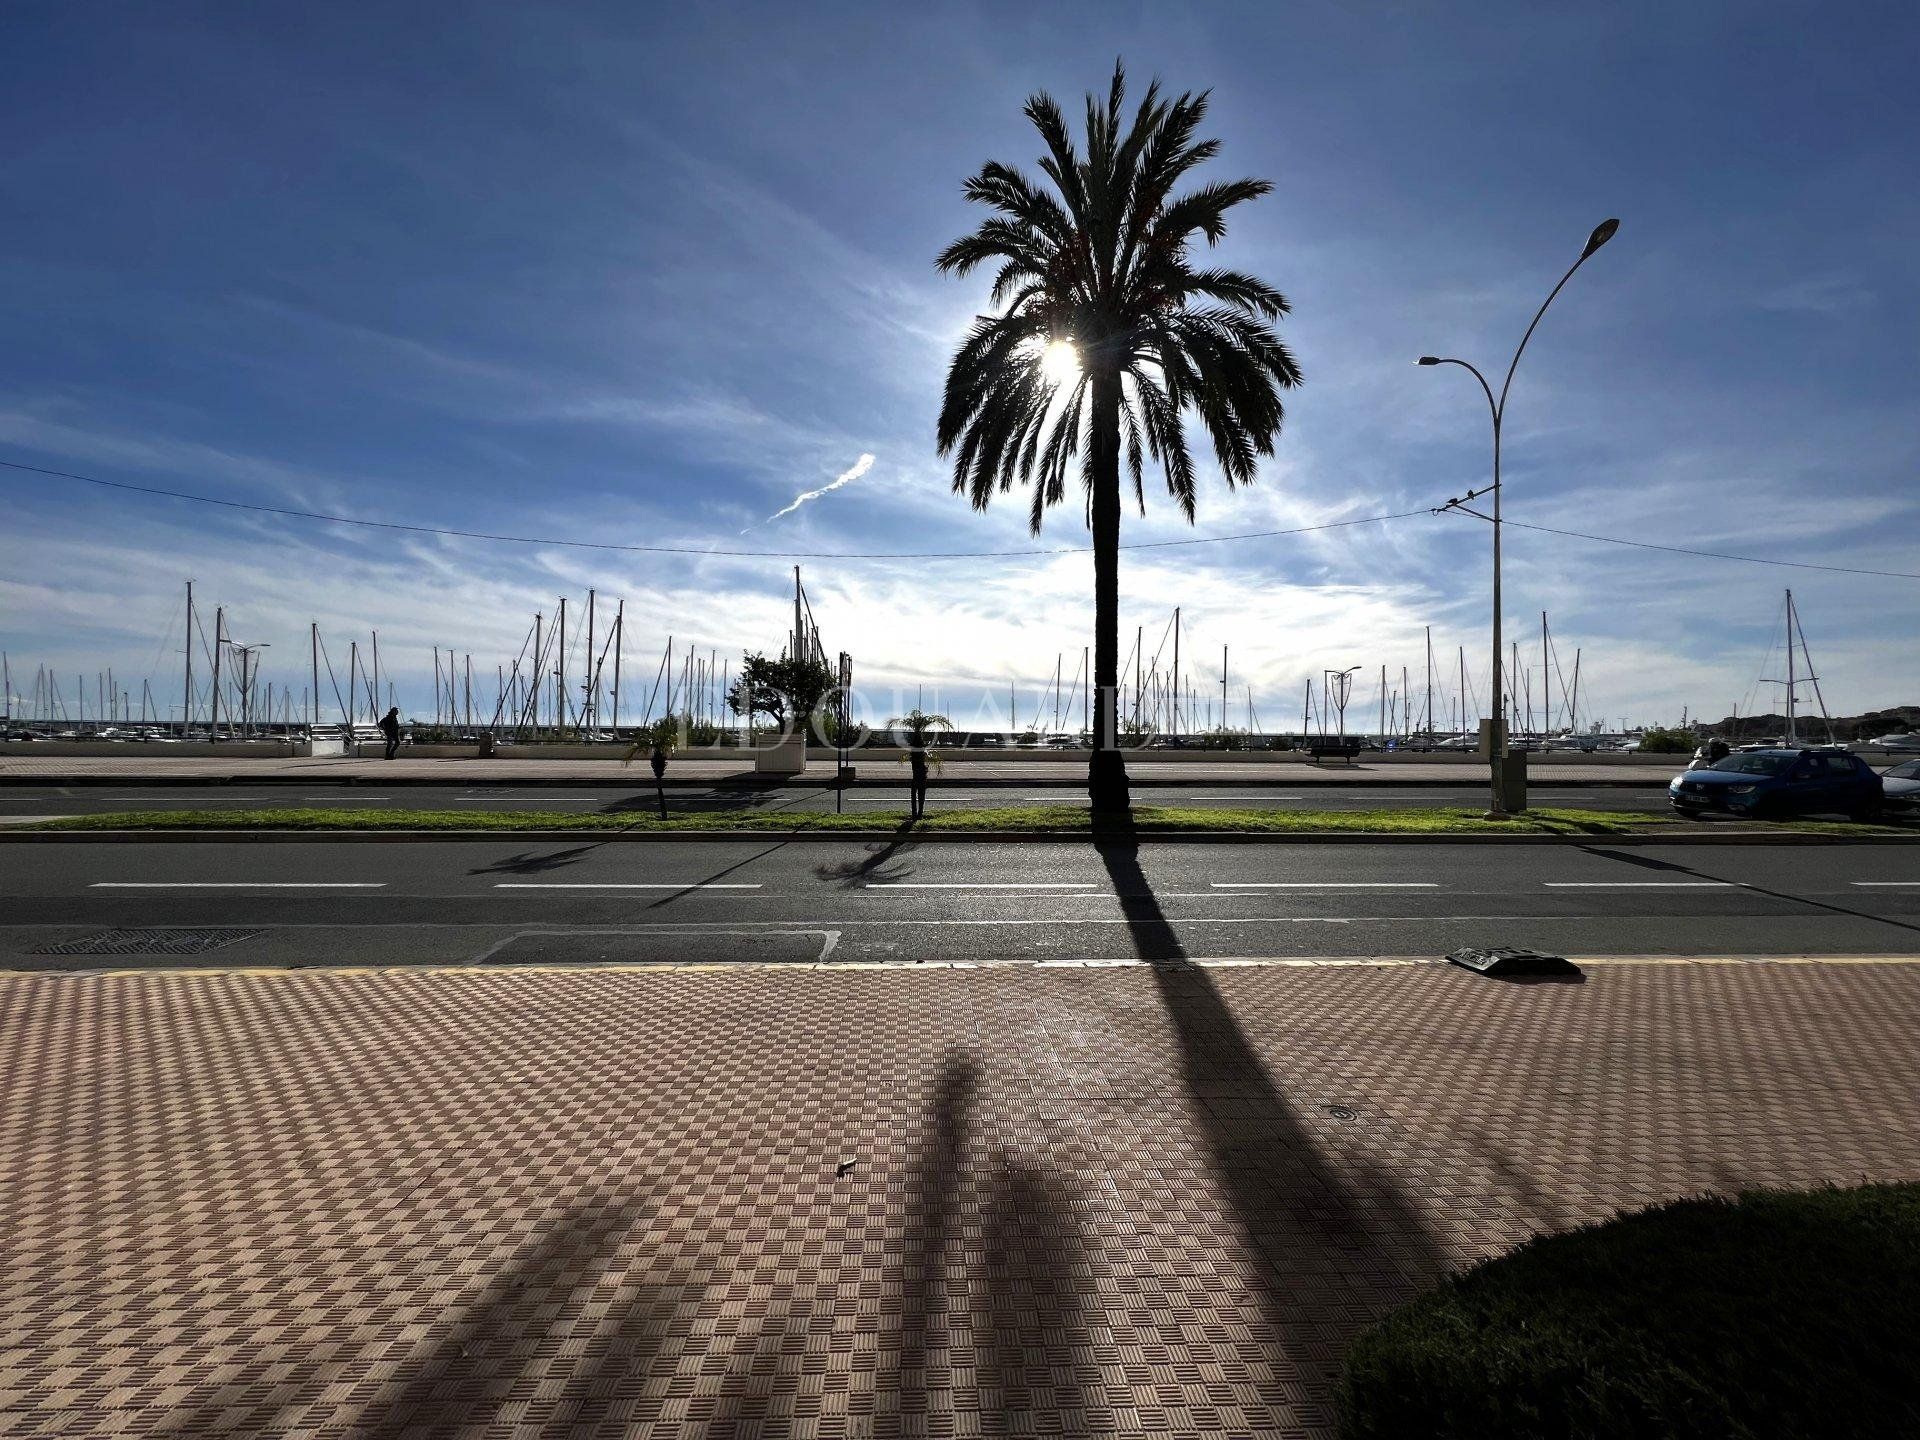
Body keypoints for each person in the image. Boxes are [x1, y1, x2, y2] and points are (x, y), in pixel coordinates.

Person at [908, 743, 930, 820]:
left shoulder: (913, 755)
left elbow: (911, 759)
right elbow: (927, 764)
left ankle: (915, 814)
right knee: (921, 796)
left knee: (914, 796)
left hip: (916, 777)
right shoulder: (924, 754)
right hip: (922, 778)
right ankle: (919, 813)